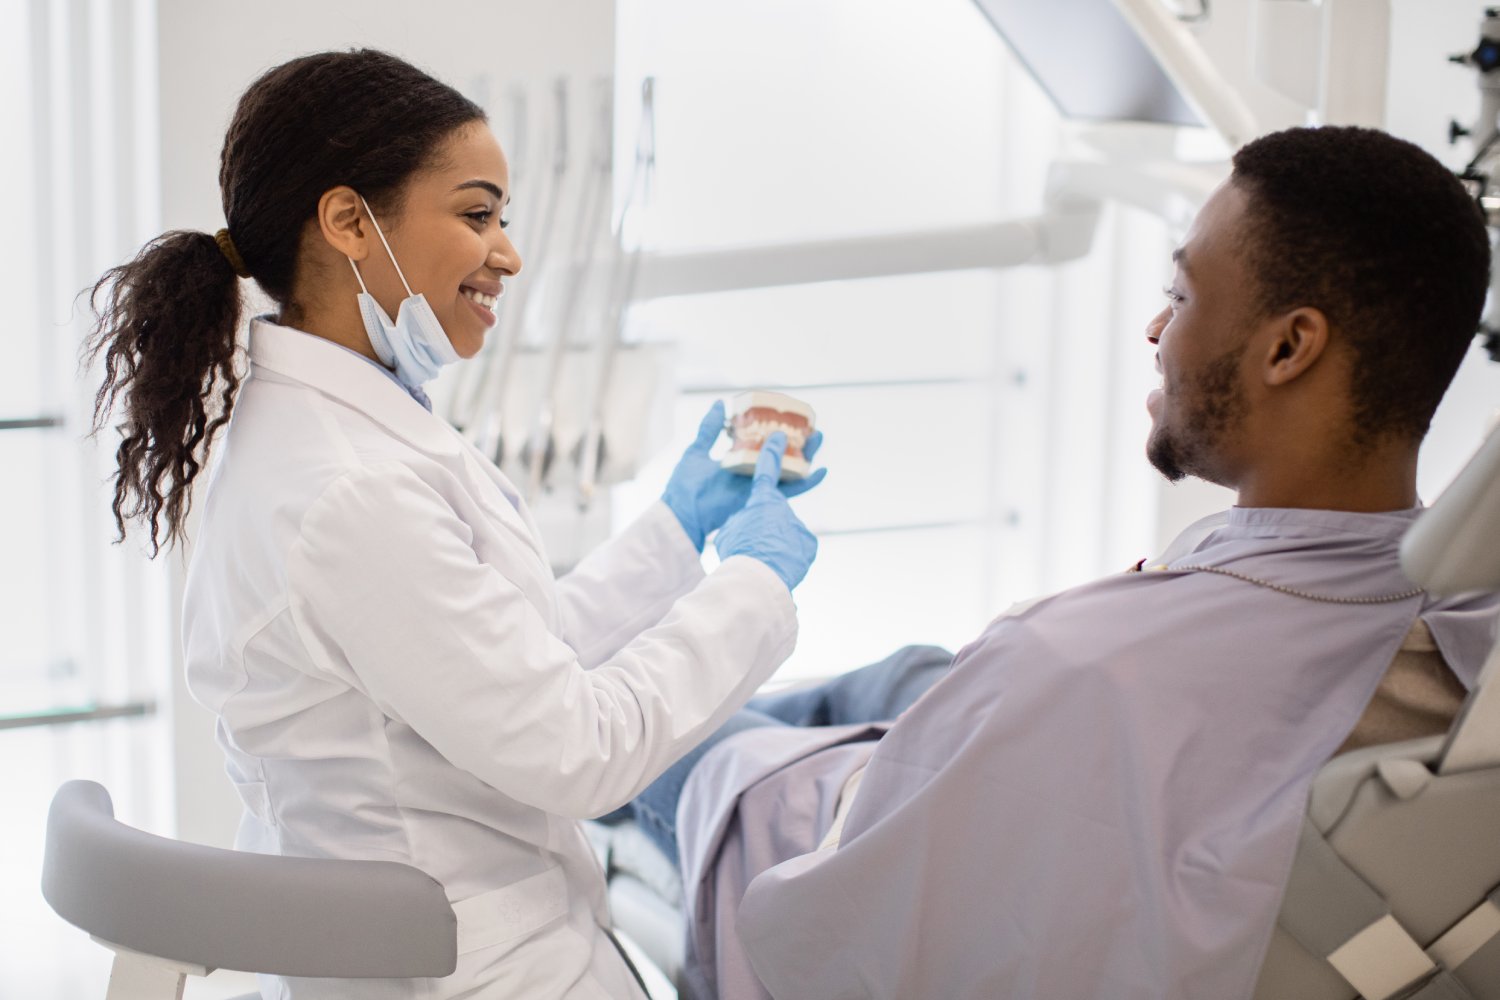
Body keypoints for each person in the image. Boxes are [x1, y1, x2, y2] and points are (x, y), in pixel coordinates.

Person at [625, 125, 1500, 1000]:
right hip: (1089, 737)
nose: (1156, 329)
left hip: (861, 814)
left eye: (1182, 294)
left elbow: (832, 931)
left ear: (1287, 348)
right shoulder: (1463, 624)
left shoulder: (1077, 659)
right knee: (909, 671)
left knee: (686, 732)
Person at [84, 49, 827, 1000]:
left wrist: (679, 531)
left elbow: (507, 657)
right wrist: (754, 587)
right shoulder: (348, 490)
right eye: (478, 215)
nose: (509, 252)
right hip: (467, 972)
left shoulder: (336, 433)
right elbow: (579, 749)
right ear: (350, 221)